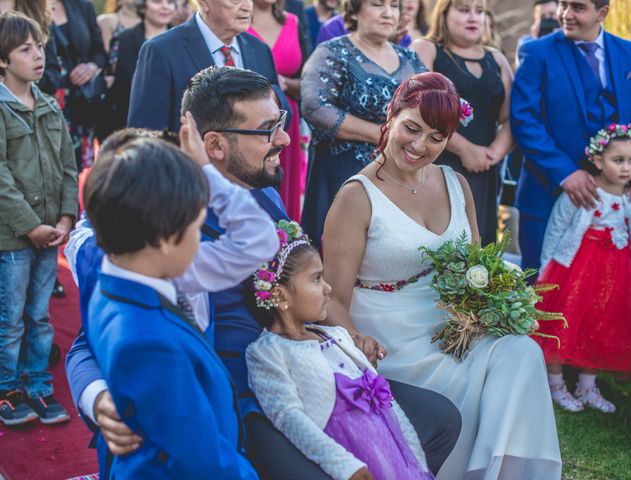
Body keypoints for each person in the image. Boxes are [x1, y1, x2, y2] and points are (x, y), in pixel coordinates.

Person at [66, 67, 461, 480]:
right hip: (236, 393)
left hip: (304, 359)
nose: (286, 139)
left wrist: (347, 336)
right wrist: (100, 399)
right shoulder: (160, 224)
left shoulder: (267, 195)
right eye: (268, 129)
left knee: (440, 419)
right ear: (215, 145)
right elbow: (92, 337)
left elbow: (295, 278)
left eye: (282, 123)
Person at [323, 72, 562, 479]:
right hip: (388, 330)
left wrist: (491, 307)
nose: (419, 146)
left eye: (436, 137)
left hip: (451, 320)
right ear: (392, 115)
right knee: (470, 374)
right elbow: (331, 298)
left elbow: (475, 267)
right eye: (411, 128)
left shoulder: (456, 184)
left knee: (522, 352)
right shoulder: (356, 197)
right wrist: (357, 340)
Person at [82, 136, 259, 479]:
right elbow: (203, 461)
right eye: (196, 229)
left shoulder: (112, 283)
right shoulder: (148, 343)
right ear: (163, 238)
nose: (203, 241)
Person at [246, 221, 435, 480]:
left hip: (393, 456)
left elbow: (387, 404)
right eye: (316, 279)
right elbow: (288, 416)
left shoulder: (336, 335)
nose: (328, 288)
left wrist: (415, 456)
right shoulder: (268, 353)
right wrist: (345, 466)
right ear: (280, 296)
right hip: (351, 458)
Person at [511, 0, 631, 273]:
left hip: (618, 199)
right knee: (539, 288)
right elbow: (524, 119)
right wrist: (565, 173)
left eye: (578, 7)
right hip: (546, 192)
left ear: (602, 13)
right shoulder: (535, 52)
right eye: (563, 5)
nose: (566, 15)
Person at [0, 12, 77, 426]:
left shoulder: (48, 104)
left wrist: (66, 217)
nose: (38, 56)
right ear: (3, 60)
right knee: (10, 319)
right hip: (13, 238)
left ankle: (38, 385)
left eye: (40, 47)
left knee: (40, 314)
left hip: (50, 234)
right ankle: (7, 390)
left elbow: (69, 164)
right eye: (25, 49)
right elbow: (1, 179)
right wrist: (30, 225)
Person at [301, 0, 426, 246]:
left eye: (394, 6)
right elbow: (315, 107)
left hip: (396, 176)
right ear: (354, 10)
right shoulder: (332, 52)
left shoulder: (410, 59)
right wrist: (381, 134)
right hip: (342, 174)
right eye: (378, 4)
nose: (388, 13)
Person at [534, 123, 631, 413]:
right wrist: (546, 270)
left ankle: (587, 386)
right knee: (564, 321)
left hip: (615, 272)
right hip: (576, 268)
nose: (626, 168)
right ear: (597, 160)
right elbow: (556, 229)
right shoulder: (583, 192)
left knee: (598, 323)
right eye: (618, 160)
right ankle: (555, 384)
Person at [411, 0, 514, 245]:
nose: (473, 18)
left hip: (485, 172)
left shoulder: (496, 58)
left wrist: (492, 154)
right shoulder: (426, 49)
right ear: (444, 13)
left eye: (479, 11)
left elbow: (512, 117)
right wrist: (465, 149)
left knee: (479, 249)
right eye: (464, 10)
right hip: (437, 164)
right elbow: (418, 107)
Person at [127, 0, 290, 133]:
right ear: (204, 3)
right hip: (190, 170)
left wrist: (266, 97)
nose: (247, 6)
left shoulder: (259, 49)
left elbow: (282, 118)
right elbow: (146, 134)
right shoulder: (161, 51)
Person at [248, 0, 306, 221]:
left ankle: (287, 240)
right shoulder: (238, 22)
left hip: (286, 118)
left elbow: (307, 80)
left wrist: (286, 85)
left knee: (284, 182)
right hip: (252, 122)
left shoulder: (293, 21)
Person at [98, 0, 176, 139]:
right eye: (157, 1)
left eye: (170, 2)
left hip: (173, 129)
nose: (165, 6)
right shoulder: (123, 40)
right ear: (143, 6)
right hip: (127, 125)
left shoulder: (182, 40)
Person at [50, 0, 107, 170]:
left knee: (73, 170)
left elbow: (99, 52)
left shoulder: (82, 6)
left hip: (81, 102)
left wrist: (90, 67)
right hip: (45, 99)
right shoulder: (25, 7)